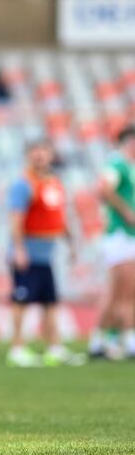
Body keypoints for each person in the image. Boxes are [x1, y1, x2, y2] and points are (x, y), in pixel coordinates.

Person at [6, 139, 85, 368]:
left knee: (50, 303)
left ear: (51, 155)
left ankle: (54, 348)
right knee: (21, 301)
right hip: (28, 252)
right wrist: (19, 249)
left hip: (46, 254)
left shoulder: (54, 183)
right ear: (28, 156)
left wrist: (70, 243)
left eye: (43, 151)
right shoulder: (23, 185)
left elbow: (58, 217)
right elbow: (16, 219)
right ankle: (17, 348)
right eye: (35, 152)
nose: (39, 156)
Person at [87, 125, 135, 360]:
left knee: (120, 292)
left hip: (126, 236)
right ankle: (126, 340)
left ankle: (103, 340)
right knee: (125, 291)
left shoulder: (127, 166)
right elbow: (103, 189)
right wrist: (126, 212)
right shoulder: (118, 164)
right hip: (120, 235)